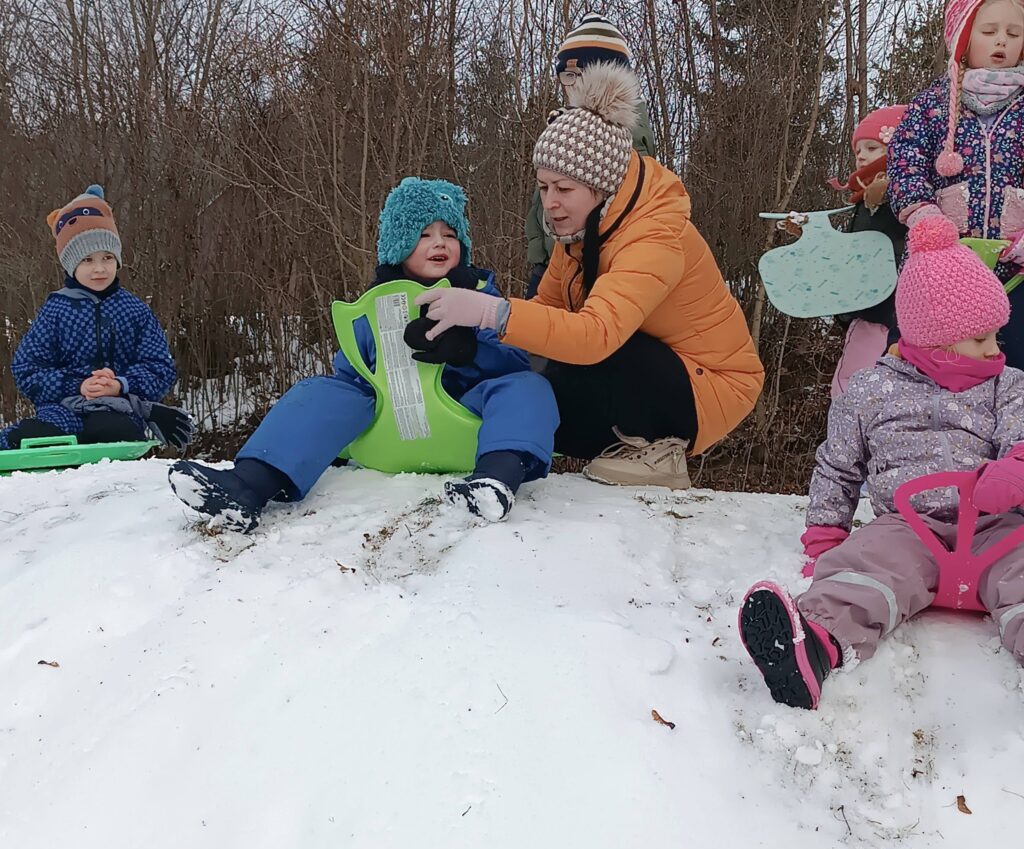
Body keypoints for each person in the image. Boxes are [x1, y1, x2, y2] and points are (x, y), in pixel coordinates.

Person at [416, 63, 764, 489]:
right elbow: (545, 312)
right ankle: (618, 441)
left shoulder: (654, 235)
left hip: (711, 385)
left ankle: (662, 452)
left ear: (602, 188)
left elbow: (597, 335)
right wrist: (472, 344)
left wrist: (491, 312)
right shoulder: (581, 235)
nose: (550, 203)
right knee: (547, 399)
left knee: (598, 345)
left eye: (564, 189)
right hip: (649, 369)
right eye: (544, 187)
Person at [737, 216, 1024, 710]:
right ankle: (815, 645)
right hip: (908, 527)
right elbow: (838, 467)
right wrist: (825, 536)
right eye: (980, 339)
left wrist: (1012, 473)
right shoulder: (872, 390)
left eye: (996, 336)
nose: (994, 349)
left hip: (994, 525)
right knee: (866, 567)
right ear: (935, 339)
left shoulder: (1008, 386)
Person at [168, 178, 558, 532]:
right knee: (324, 391)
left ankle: (495, 480)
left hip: (464, 425)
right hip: (388, 426)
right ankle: (248, 484)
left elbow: (514, 360)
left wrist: (470, 351)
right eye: (424, 234)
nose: (439, 243)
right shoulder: (375, 306)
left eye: (449, 234)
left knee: (527, 386)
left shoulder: (481, 296)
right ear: (399, 244)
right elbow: (352, 371)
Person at [0, 185, 190, 452]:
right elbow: (27, 368)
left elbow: (160, 367)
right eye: (87, 260)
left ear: (117, 260)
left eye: (107, 258)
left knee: (113, 431)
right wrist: (78, 385)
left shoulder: (134, 310)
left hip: (117, 408)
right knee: (31, 437)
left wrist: (119, 385)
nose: (99, 268)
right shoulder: (56, 311)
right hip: (62, 409)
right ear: (71, 264)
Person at [888, 0, 1024, 368]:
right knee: (930, 364)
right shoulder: (931, 105)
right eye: (989, 31)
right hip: (941, 267)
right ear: (964, 39)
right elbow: (905, 160)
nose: (1002, 40)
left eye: (1014, 33)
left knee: (1014, 364)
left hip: (1015, 272)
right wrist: (923, 214)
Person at [523, 12, 654, 300]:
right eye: (566, 75)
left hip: (592, 265)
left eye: (578, 76)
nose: (569, 85)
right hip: (558, 259)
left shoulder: (621, 135)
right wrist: (539, 249)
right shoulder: (568, 125)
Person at [828, 105, 908, 396]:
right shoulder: (863, 195)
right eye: (858, 149)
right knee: (850, 386)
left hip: (890, 312)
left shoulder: (904, 191)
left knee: (864, 388)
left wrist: (889, 193)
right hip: (865, 309)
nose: (861, 155)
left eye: (872, 148)